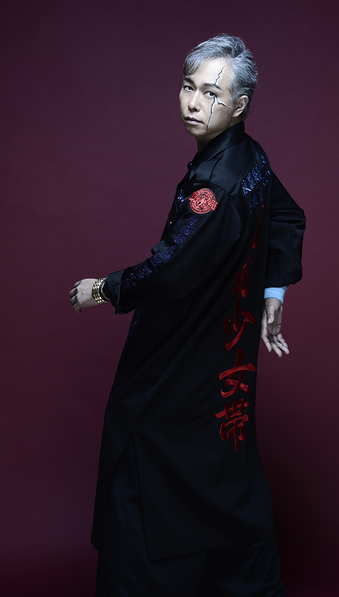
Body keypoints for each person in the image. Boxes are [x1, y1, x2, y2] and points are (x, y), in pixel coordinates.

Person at [69, 34, 305, 597]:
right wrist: (273, 293)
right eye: (187, 86)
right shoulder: (252, 158)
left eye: (211, 94)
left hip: (186, 361)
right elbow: (286, 216)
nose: (194, 103)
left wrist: (102, 289)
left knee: (143, 463)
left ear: (239, 106)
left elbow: (171, 269)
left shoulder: (215, 184)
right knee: (224, 472)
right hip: (227, 362)